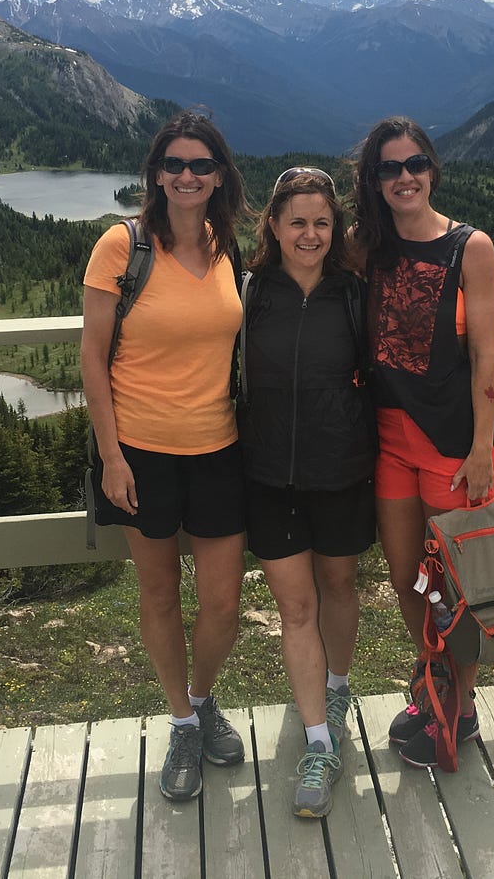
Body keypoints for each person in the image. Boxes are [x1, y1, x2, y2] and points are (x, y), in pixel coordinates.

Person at [80, 109, 251, 803]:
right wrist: (111, 458)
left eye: (200, 165)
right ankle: (183, 720)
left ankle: (201, 696)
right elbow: (92, 358)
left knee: (223, 602)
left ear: (218, 176)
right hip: (140, 453)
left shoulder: (226, 245)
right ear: (155, 173)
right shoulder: (122, 247)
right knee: (158, 594)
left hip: (220, 448)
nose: (186, 176)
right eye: (173, 164)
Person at [350, 116, 494, 769]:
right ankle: (433, 681)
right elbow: (298, 257)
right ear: (374, 180)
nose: (404, 177)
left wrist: (479, 451)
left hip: (452, 446)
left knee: (455, 588)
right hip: (388, 439)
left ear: (432, 169)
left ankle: (457, 709)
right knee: (406, 576)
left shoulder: (471, 247)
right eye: (389, 168)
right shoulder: (364, 246)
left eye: (414, 164)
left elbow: (488, 361)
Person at [239, 167, 377, 818]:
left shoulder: (354, 292)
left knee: (340, 587)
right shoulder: (247, 292)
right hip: (266, 475)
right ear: (273, 224)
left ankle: (339, 686)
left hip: (342, 469)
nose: (310, 234)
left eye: (322, 222)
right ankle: (319, 742)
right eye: (297, 221)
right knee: (297, 609)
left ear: (336, 227)